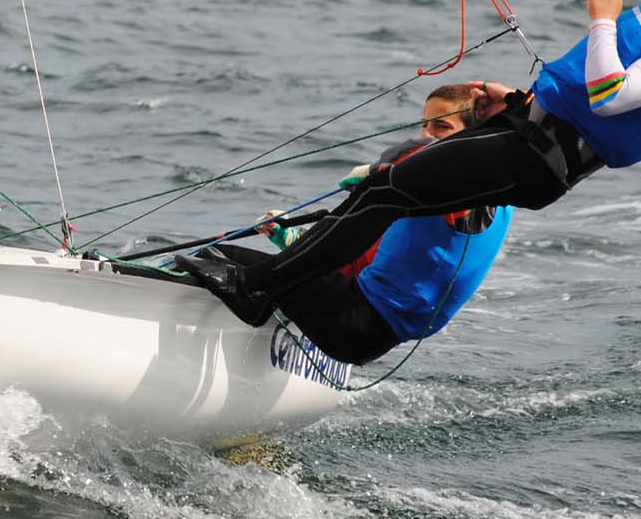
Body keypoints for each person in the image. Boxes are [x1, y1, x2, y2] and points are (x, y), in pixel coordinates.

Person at [183, 0, 641, 328]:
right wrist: (517, 102)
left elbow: (610, 94)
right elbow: (587, 107)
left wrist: (603, 21)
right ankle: (271, 280)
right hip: (526, 137)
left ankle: (259, 289)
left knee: (388, 189)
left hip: (537, 161)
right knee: (383, 188)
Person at [191, 85, 511, 364]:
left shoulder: (471, 196)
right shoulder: (448, 200)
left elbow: (450, 160)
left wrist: (385, 170)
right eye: (424, 124)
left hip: (357, 324)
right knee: (258, 269)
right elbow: (359, 260)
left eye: (441, 126)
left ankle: (225, 337)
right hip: (363, 327)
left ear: (470, 135)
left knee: (216, 256)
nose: (427, 133)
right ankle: (258, 323)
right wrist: (293, 239)